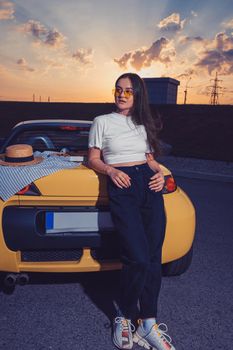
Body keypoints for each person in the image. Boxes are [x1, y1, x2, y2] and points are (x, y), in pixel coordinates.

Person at [88, 73, 176, 350]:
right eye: (118, 89)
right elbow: (92, 159)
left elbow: (150, 160)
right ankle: (125, 316)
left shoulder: (143, 123)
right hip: (122, 183)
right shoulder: (101, 122)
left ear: (137, 95)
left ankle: (148, 324)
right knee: (136, 257)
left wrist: (160, 174)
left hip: (149, 185)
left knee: (152, 257)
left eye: (128, 91)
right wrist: (111, 169)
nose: (122, 94)